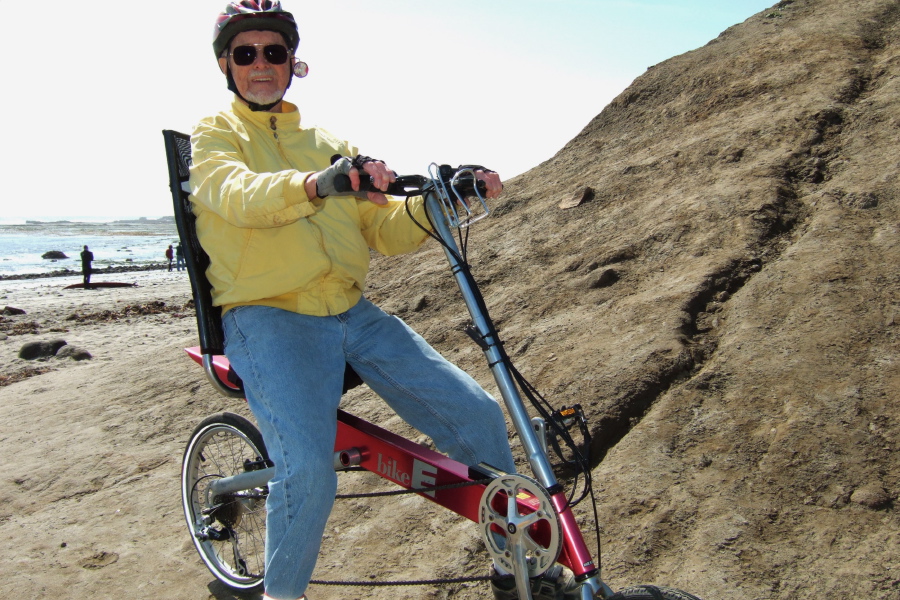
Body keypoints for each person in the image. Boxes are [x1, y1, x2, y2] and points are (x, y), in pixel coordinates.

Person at [187, 3, 574, 600]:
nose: (261, 65)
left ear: (294, 63)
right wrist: (320, 183)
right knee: (310, 475)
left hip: (352, 312)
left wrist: (442, 202)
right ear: (226, 65)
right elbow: (237, 195)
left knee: (478, 416)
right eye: (246, 54)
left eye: (274, 52)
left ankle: (513, 566)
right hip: (268, 315)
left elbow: (384, 228)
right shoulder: (216, 136)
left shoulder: (328, 142)